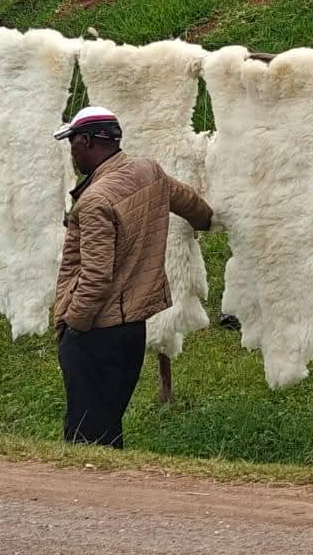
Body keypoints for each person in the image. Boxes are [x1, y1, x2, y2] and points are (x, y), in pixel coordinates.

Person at [52, 106, 213, 447]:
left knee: (86, 433)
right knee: (107, 421)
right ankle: (112, 495)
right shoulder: (148, 171)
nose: (71, 152)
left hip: (96, 330)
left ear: (87, 141)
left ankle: (90, 496)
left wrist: (73, 326)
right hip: (132, 329)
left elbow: (95, 276)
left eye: (73, 144)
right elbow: (189, 203)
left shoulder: (96, 200)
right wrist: (207, 221)